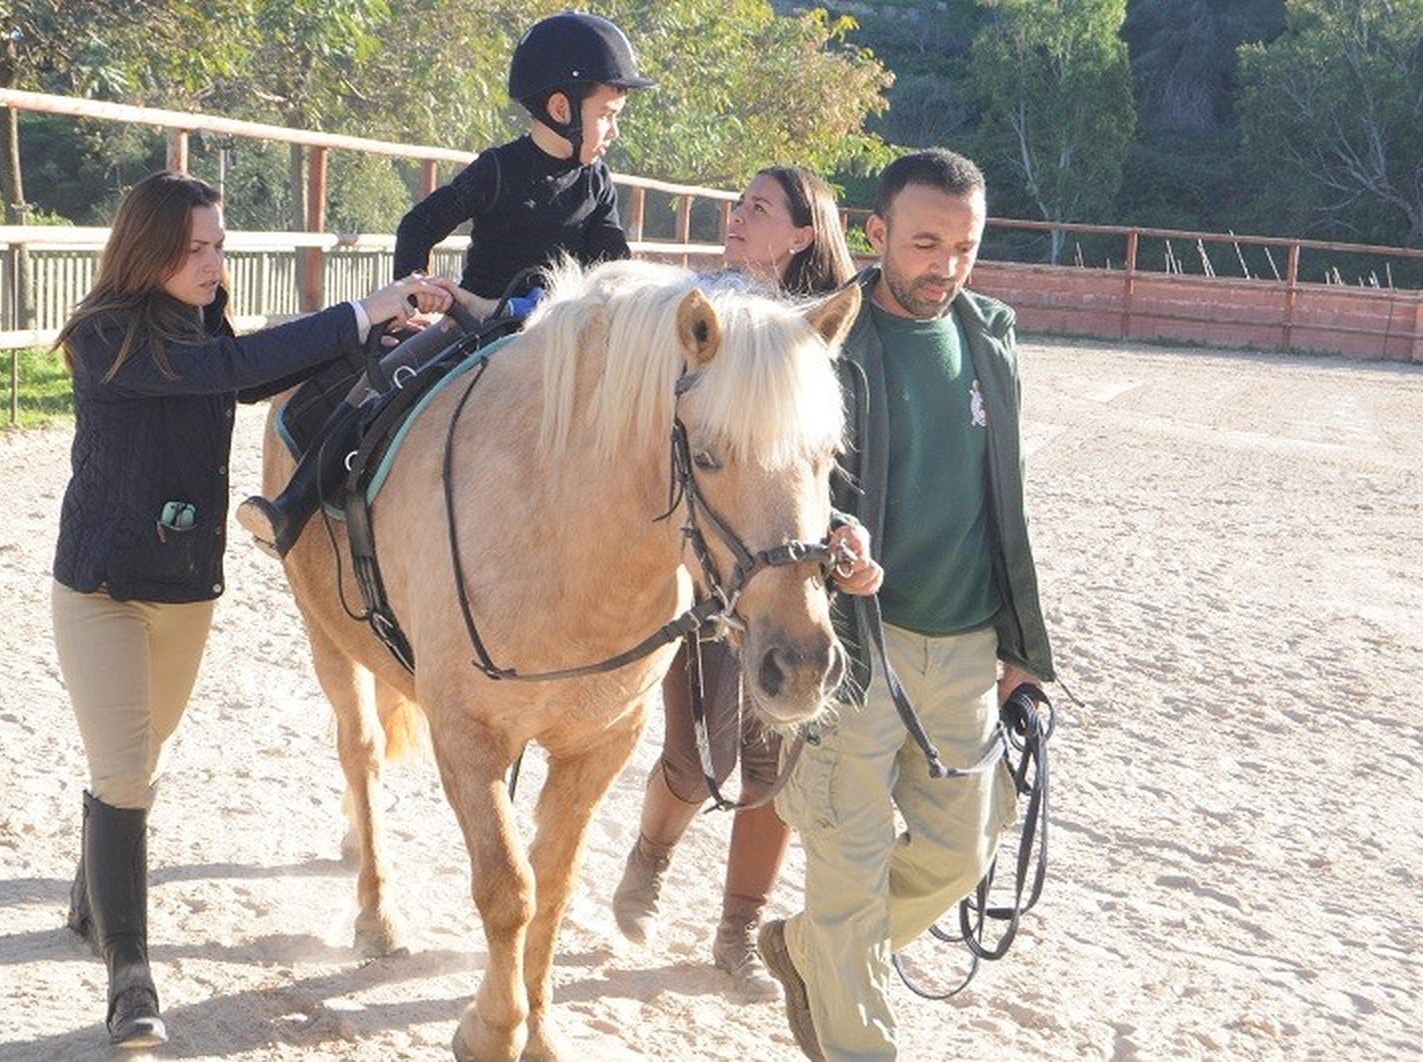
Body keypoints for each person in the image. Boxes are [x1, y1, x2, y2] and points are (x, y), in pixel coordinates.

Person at [51, 170, 452, 1048]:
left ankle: (91, 892)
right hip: (99, 587)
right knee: (128, 770)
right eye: (195, 248)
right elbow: (226, 371)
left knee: (137, 752)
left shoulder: (198, 321)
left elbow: (244, 374)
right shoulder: (105, 336)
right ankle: (130, 974)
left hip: (182, 584)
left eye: (219, 246)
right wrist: (359, 308)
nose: (213, 262)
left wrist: (385, 333)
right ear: (148, 249)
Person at [754, 148, 1056, 1060]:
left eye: (965, 245)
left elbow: (1005, 499)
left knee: (961, 854)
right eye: (926, 243)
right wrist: (841, 536)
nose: (947, 265)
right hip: (851, 650)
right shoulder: (823, 343)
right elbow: (793, 481)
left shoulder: (991, 336)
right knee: (847, 881)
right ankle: (851, 1008)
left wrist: (1024, 647)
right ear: (876, 233)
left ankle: (813, 949)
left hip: (966, 652)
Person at [237, 10, 652, 557]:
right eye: (608, 115)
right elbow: (419, 225)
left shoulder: (597, 182)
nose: (614, 131)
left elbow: (611, 259)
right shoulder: (497, 169)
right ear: (561, 109)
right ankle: (291, 507)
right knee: (383, 384)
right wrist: (409, 298)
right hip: (474, 322)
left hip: (554, 329)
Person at [610, 166, 868, 1002]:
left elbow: (829, 466)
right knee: (689, 763)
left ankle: (738, 931)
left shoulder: (819, 332)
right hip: (703, 568)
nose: (737, 216)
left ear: (800, 233)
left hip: (785, 574)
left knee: (770, 769)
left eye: (758, 208)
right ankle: (648, 859)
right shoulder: (696, 314)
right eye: (738, 204)